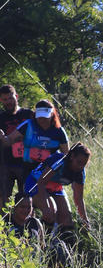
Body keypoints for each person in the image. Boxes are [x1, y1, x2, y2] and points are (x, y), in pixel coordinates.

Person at [0, 99, 68, 240]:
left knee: (58, 212)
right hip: (30, 175)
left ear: (52, 115)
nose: (42, 120)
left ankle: (46, 239)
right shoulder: (28, 125)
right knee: (39, 209)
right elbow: (8, 141)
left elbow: (67, 156)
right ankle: (24, 236)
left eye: (45, 117)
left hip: (50, 176)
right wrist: (2, 137)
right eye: (40, 117)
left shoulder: (59, 132)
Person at [24, 144, 91, 245]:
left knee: (67, 220)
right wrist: (46, 207)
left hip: (55, 187)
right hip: (36, 183)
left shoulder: (80, 172)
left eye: (84, 164)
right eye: (79, 162)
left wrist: (85, 221)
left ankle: (64, 247)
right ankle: (41, 242)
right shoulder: (59, 162)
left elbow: (78, 199)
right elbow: (41, 183)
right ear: (72, 156)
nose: (80, 167)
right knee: (50, 213)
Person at [0, 84, 33, 210]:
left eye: (10, 98)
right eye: (5, 99)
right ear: (1, 100)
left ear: (16, 96)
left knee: (27, 199)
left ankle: (28, 222)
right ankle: (4, 221)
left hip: (26, 164)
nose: (8, 102)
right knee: (3, 199)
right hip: (5, 164)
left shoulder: (28, 114)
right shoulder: (1, 117)